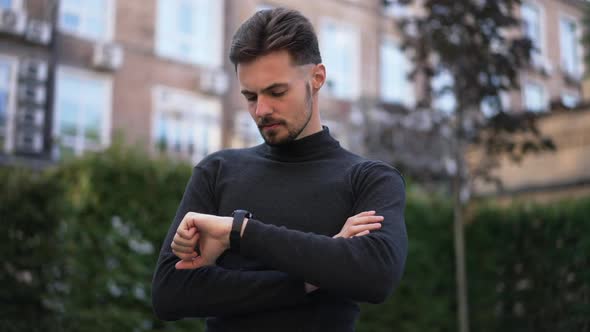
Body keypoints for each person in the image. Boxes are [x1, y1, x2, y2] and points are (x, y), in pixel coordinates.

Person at [152, 7, 407, 332]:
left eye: (276, 92)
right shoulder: (217, 171)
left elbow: (375, 275)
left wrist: (239, 232)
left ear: (316, 78)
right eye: (250, 96)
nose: (261, 110)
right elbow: (170, 294)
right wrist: (310, 278)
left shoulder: (369, 179)